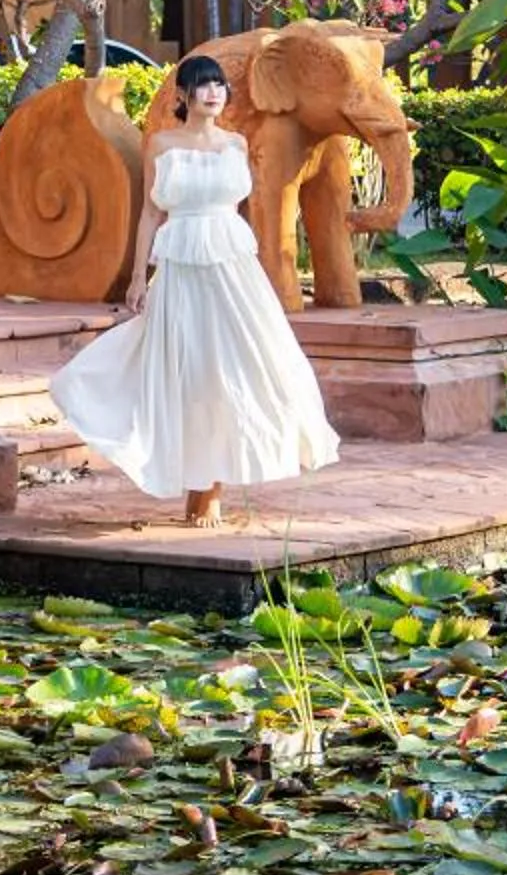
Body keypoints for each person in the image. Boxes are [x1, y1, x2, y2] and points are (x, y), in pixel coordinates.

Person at [48, 52, 339, 526]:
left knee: (235, 366)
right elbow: (149, 213)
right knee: (185, 367)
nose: (213, 93)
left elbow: (244, 211)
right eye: (203, 85)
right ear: (183, 95)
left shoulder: (237, 144)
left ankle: (211, 487)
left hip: (231, 267)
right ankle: (196, 482)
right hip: (181, 264)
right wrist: (138, 276)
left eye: (219, 85)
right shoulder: (160, 144)